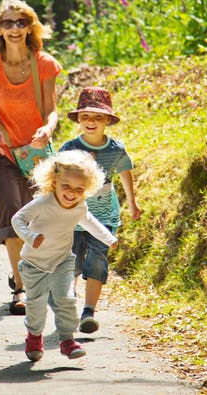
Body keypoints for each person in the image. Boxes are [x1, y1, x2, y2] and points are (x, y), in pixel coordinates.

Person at [0, 0, 62, 315]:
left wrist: (48, 130)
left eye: (20, 22)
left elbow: (52, 112)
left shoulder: (45, 63)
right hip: (0, 151)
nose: (14, 28)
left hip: (36, 150)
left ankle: (26, 272)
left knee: (37, 216)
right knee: (11, 211)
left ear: (30, 27)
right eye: (7, 23)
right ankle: (21, 290)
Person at [11, 150, 118, 361]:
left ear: (87, 189)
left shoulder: (79, 207)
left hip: (62, 262)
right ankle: (34, 336)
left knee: (66, 300)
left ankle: (67, 340)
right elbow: (17, 219)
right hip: (34, 264)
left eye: (79, 189)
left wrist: (109, 238)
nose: (72, 193)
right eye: (66, 186)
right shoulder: (43, 203)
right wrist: (31, 237)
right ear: (54, 181)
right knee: (36, 305)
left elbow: (90, 222)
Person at [59, 86, 142, 334]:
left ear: (107, 120)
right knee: (71, 262)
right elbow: (57, 181)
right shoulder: (69, 148)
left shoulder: (116, 149)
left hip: (104, 215)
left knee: (96, 261)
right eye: (85, 117)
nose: (91, 122)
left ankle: (88, 313)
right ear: (79, 121)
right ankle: (68, 302)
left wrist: (133, 203)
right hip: (72, 215)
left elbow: (125, 173)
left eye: (97, 117)